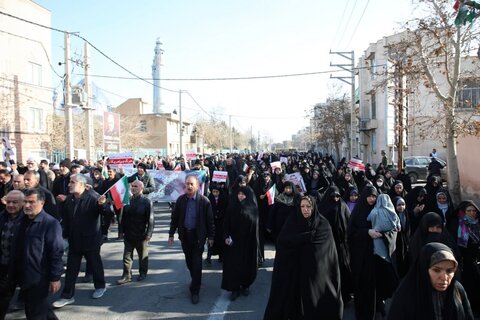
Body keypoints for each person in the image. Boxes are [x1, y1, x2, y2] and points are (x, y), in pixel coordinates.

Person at [264, 195, 343, 320]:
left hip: (315, 274)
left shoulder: (323, 225)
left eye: (308, 206)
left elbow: (324, 251)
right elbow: (283, 241)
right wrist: (305, 237)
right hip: (295, 271)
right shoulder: (292, 221)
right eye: (302, 206)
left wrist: (301, 244)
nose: (305, 209)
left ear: (313, 207)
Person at [53, 174, 108, 308]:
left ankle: (100, 286)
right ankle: (67, 295)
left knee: (95, 265)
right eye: (70, 182)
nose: (69, 184)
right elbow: (66, 217)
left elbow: (106, 214)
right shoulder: (69, 198)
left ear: (82, 185)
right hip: (74, 239)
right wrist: (65, 233)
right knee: (71, 269)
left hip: (91, 239)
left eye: (72, 182)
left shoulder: (93, 198)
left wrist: (102, 205)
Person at [387, 242, 473, 320]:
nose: (444, 277)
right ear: (424, 269)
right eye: (436, 270)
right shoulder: (406, 294)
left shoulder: (457, 289)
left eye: (449, 271)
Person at [17, 189, 63, 320]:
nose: (26, 206)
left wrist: (55, 278)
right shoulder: (22, 220)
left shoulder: (50, 223)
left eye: (31, 202)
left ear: (42, 203)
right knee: (40, 309)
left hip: (39, 278)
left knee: (35, 313)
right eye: (25, 202)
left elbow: (56, 252)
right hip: (23, 275)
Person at [168, 175, 215, 304]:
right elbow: (175, 219)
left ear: (197, 186)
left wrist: (211, 236)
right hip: (185, 237)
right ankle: (195, 280)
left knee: (197, 264)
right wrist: (171, 234)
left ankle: (195, 290)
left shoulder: (204, 202)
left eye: (191, 184)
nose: (189, 186)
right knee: (189, 263)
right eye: (187, 184)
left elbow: (210, 221)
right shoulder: (181, 200)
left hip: (198, 238)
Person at [349, 185, 391, 319]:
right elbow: (351, 232)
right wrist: (367, 232)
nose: (372, 199)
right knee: (363, 285)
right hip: (361, 255)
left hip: (376, 254)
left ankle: (377, 308)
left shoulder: (379, 210)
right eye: (369, 196)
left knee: (376, 283)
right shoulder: (358, 212)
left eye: (374, 196)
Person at [221, 186, 259, 301]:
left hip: (248, 243)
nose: (240, 196)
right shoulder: (232, 208)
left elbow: (256, 228)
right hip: (234, 243)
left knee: (247, 265)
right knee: (234, 266)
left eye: (243, 194)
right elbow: (225, 225)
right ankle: (234, 289)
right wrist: (226, 237)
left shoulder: (253, 209)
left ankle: (245, 285)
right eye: (239, 194)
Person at [318, 185, 353, 302]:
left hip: (342, 246)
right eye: (333, 196)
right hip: (328, 245)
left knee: (343, 270)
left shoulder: (343, 206)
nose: (336, 199)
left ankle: (345, 294)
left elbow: (350, 223)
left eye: (338, 196)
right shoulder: (323, 208)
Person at [446, 200, 480, 316]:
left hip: (475, 261)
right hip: (461, 262)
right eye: (468, 211)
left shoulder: (478, 223)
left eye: (474, 211)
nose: (472, 213)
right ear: (463, 212)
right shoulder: (456, 224)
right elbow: (452, 242)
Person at [117, 180, 154, 284]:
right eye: (132, 186)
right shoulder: (128, 201)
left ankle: (143, 273)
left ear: (141, 188)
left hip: (141, 234)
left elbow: (151, 219)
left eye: (136, 186)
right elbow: (122, 217)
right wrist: (121, 231)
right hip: (128, 234)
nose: (133, 188)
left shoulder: (147, 202)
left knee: (143, 256)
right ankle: (126, 275)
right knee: (127, 257)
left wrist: (149, 233)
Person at [0, 190, 24, 319]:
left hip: (23, 267)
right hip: (4, 265)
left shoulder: (28, 219)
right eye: (8, 202)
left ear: (22, 203)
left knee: (35, 302)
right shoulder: (2, 217)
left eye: (14, 202)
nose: (10, 205)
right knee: (3, 298)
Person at [206, 184, 228, 264]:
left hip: (221, 222)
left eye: (216, 192)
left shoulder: (224, 198)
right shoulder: (210, 198)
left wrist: (219, 214)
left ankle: (221, 256)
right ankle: (208, 256)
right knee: (211, 239)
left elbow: (225, 209)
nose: (215, 193)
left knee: (220, 239)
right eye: (213, 192)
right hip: (212, 222)